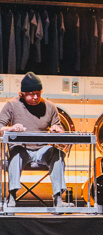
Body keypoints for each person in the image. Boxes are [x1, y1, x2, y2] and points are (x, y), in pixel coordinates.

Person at [0, 72, 68, 208]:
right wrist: (12, 128)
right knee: (15, 153)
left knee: (57, 153)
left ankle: (58, 198)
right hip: (22, 149)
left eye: (38, 93)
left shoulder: (50, 106)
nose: (35, 97)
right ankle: (12, 196)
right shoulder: (12, 105)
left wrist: (57, 130)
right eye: (31, 94)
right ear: (22, 94)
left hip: (42, 150)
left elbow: (62, 135)